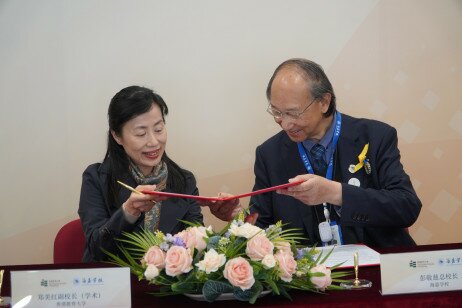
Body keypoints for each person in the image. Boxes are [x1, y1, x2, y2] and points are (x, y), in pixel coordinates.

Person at [248, 58, 422, 248]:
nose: (285, 123)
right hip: (310, 274)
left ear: (324, 101)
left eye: (293, 113)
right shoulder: (269, 154)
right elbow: (260, 228)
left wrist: (336, 193)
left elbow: (407, 206)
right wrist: (237, 219)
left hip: (376, 268)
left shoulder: (374, 137)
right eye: (277, 112)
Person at [78, 86, 205, 262]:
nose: (153, 142)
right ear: (117, 136)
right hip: (118, 285)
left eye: (159, 129)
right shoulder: (96, 178)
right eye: (141, 133)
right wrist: (128, 212)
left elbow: (197, 248)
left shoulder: (184, 181)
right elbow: (97, 250)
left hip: (169, 287)